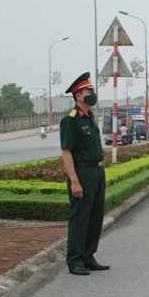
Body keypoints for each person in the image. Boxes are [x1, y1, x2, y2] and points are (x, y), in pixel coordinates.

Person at [59, 72, 109, 276]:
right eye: (89, 91)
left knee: (95, 217)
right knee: (80, 218)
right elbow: (66, 152)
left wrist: (101, 175)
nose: (92, 94)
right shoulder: (71, 120)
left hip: (96, 171)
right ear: (79, 95)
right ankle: (75, 260)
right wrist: (74, 181)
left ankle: (88, 256)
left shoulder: (89, 117)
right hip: (82, 172)